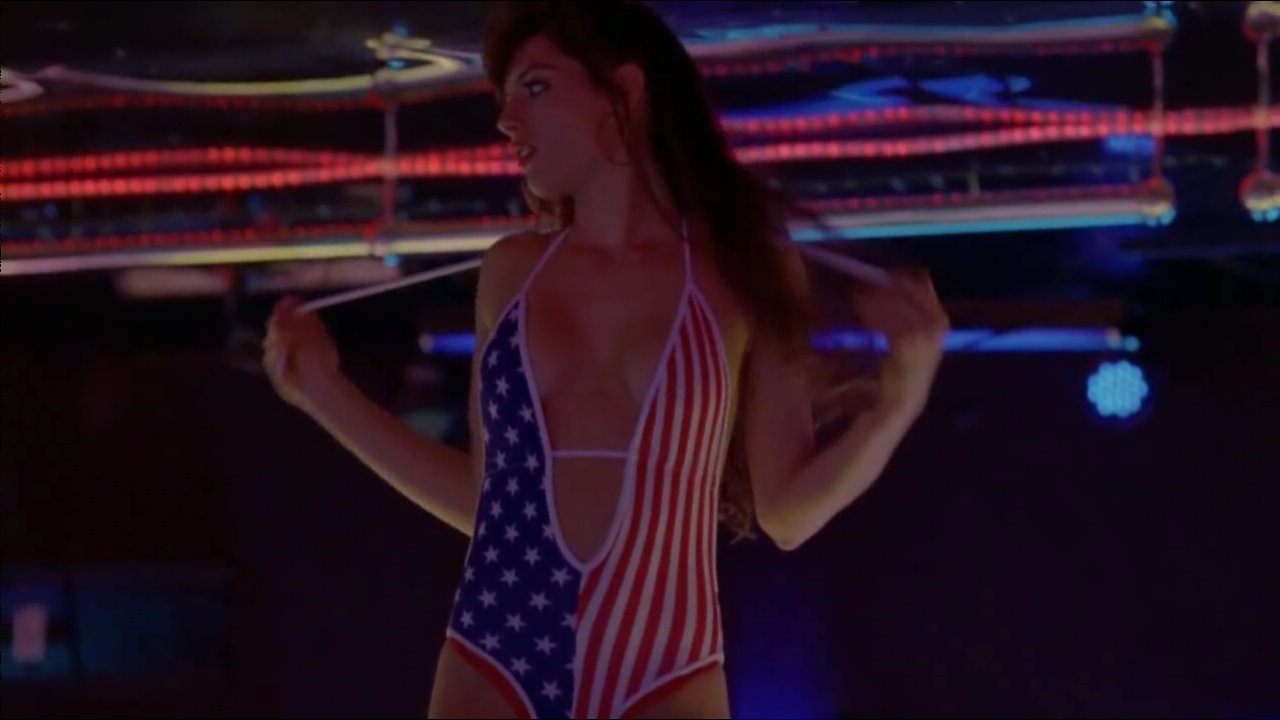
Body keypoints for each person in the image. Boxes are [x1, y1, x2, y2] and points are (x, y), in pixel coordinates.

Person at [263, 2, 949, 718]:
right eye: (505, 100)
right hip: (493, 652)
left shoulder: (745, 270)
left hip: (665, 669)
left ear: (624, 90)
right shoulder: (512, 272)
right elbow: (490, 505)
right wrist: (322, 392)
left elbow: (788, 514)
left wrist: (900, 397)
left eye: (535, 87)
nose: (507, 122)